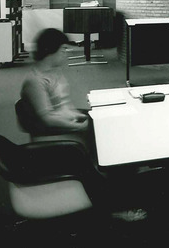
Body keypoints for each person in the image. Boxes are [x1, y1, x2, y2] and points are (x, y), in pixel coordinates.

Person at [20, 28, 147, 223]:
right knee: (109, 137)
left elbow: (63, 107)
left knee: (111, 126)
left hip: (66, 123)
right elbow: (46, 117)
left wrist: (81, 117)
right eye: (63, 49)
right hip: (54, 131)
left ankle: (123, 171)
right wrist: (78, 126)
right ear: (50, 50)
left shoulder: (53, 72)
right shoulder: (35, 81)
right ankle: (115, 204)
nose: (66, 52)